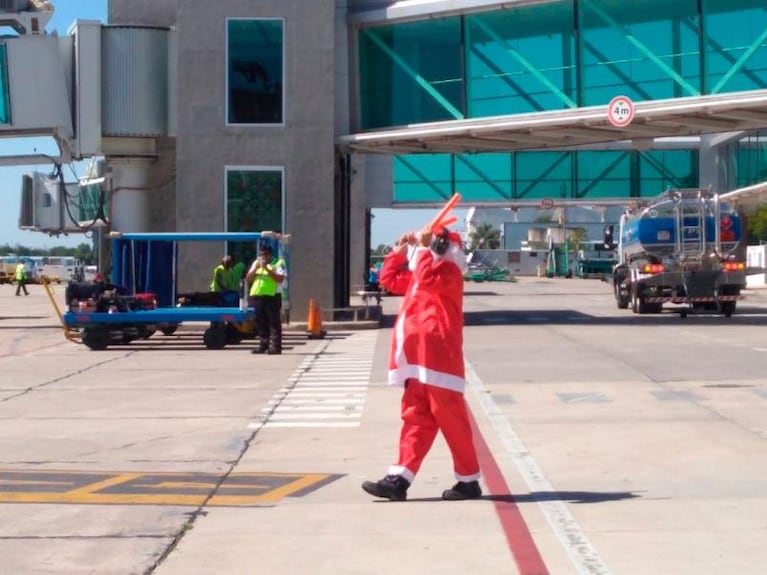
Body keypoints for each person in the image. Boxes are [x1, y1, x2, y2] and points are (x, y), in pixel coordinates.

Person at [361, 225, 482, 502]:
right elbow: (390, 280)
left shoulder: (448, 273)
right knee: (415, 419)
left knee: (451, 421)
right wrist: (398, 252)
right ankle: (399, 478)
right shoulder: (423, 272)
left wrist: (426, 249)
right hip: (415, 359)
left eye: (438, 246)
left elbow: (427, 277)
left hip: (438, 358)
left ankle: (468, 480)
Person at [246, 243, 286, 355]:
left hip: (272, 296)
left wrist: (267, 269)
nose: (263, 257)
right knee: (261, 322)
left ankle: (276, 347)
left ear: (270, 254)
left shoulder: (278, 263)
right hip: (258, 296)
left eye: (266, 254)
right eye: (261, 254)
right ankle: (263, 345)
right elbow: (248, 278)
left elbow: (280, 279)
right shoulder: (256, 263)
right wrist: (256, 268)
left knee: (274, 323)